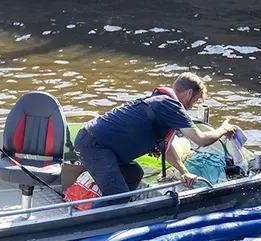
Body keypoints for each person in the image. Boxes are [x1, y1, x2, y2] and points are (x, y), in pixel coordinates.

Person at [73, 72, 237, 208]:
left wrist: (184, 171)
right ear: (189, 93)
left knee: (134, 174)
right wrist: (222, 129)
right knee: (117, 195)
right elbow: (200, 139)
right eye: (195, 101)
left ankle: (114, 214)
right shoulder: (171, 105)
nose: (192, 106)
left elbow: (165, 146)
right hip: (95, 144)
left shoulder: (161, 101)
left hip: (98, 143)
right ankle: (83, 227)